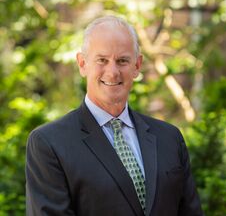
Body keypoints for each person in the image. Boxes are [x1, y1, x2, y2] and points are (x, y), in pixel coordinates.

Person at [26, 15, 203, 216]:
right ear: (82, 64)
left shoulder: (170, 138)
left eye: (122, 61)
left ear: (137, 66)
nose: (112, 72)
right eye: (102, 60)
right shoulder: (49, 143)